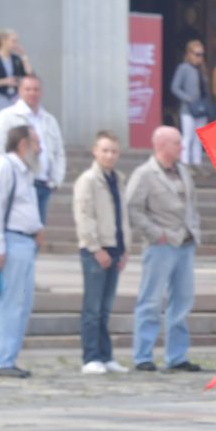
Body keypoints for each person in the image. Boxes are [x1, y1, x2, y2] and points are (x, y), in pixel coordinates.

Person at [125, 125, 205, 373]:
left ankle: (176, 355)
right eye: (177, 143)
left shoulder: (182, 171)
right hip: (161, 244)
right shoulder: (145, 174)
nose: (181, 147)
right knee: (150, 300)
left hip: (184, 243)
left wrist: (194, 229)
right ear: (161, 145)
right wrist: (154, 233)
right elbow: (132, 207)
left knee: (182, 301)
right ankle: (143, 355)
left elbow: (191, 204)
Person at [0, 123, 45, 377]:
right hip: (11, 240)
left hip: (26, 242)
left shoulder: (26, 171)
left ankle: (9, 356)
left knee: (23, 303)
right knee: (11, 302)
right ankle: (1, 359)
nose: (40, 149)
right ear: (23, 145)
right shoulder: (3, 167)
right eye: (36, 143)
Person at [73, 131, 129, 374]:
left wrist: (125, 247)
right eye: (105, 150)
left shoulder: (118, 179)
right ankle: (91, 356)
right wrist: (95, 247)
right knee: (92, 307)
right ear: (95, 151)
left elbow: (122, 216)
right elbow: (84, 216)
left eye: (114, 151)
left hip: (115, 248)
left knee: (105, 308)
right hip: (95, 250)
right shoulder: (88, 180)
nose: (109, 155)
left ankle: (106, 355)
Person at [0, 75, 66, 222]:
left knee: (38, 233)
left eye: (36, 89)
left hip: (44, 184)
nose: (32, 93)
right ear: (19, 91)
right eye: (28, 89)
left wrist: (57, 179)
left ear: (41, 92)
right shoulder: (6, 117)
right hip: (19, 185)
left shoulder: (49, 120)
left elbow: (59, 152)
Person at [169, 39, 209, 166]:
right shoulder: (183, 68)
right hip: (188, 109)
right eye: (197, 54)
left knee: (199, 137)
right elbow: (175, 87)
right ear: (189, 54)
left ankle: (197, 163)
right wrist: (187, 98)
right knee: (188, 136)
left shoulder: (202, 70)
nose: (199, 58)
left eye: (201, 55)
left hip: (201, 108)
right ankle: (185, 162)